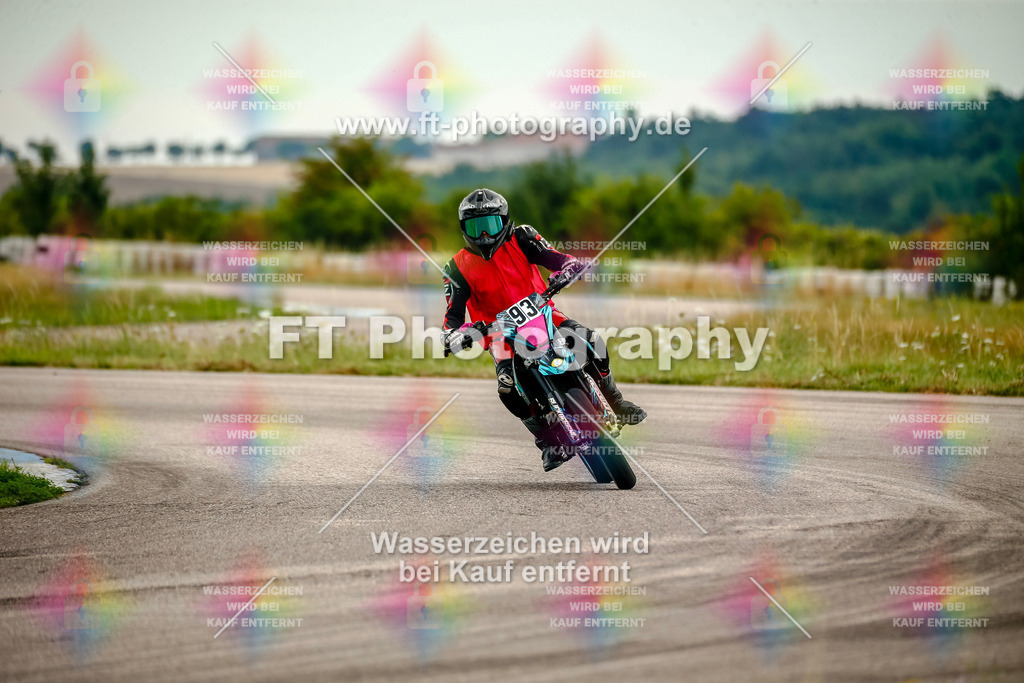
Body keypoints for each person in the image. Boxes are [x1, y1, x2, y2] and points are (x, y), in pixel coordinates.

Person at [440, 188, 646, 472]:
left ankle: (618, 402)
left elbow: (558, 259)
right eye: (477, 228)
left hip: (544, 315)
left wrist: (569, 268)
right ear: (464, 229)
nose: (485, 235)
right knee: (507, 389)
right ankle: (547, 440)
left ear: (505, 221)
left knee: (592, 341)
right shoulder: (455, 268)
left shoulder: (523, 236)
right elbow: (451, 317)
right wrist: (454, 335)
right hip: (500, 336)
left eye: (491, 225)